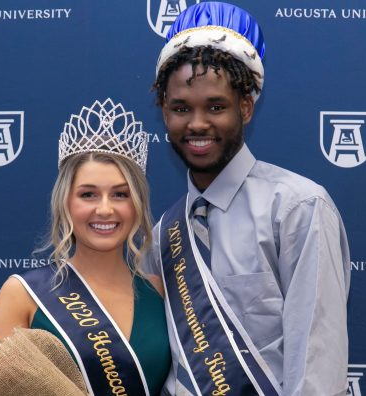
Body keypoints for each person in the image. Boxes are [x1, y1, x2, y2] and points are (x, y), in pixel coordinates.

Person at [146, 3, 351, 395]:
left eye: (216, 107)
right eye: (181, 109)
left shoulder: (298, 208)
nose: (198, 124)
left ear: (246, 106)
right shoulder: (164, 234)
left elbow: (317, 367)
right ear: (164, 114)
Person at [0, 98, 172, 396]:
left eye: (120, 194)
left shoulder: (159, 293)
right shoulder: (23, 294)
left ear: (137, 205)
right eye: (88, 194)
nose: (105, 209)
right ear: (66, 203)